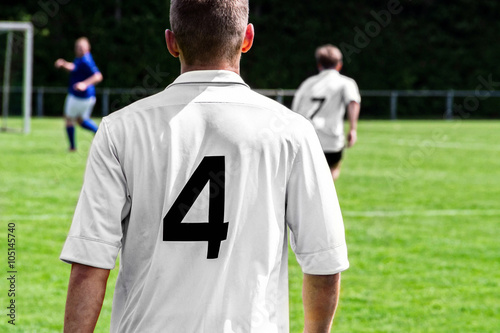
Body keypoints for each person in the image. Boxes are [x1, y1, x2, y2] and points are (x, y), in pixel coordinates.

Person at [60, 1, 349, 332]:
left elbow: (89, 264)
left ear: (171, 42)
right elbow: (324, 264)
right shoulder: (292, 131)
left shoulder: (119, 129)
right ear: (247, 38)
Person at [292, 44, 361, 181]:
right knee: (333, 168)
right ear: (339, 65)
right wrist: (353, 129)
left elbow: (295, 110)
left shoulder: (307, 83)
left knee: (308, 175)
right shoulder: (345, 82)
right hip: (331, 139)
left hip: (307, 137)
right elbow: (353, 102)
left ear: (319, 65)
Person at [55, 37, 103, 151]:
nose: (79, 49)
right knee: (81, 120)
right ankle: (99, 133)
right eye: (77, 47)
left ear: (88, 48)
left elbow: (98, 76)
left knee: (69, 119)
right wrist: (64, 64)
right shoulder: (80, 59)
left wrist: (84, 84)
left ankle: (72, 147)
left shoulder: (86, 60)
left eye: (81, 47)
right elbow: (74, 68)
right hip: (87, 97)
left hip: (80, 96)